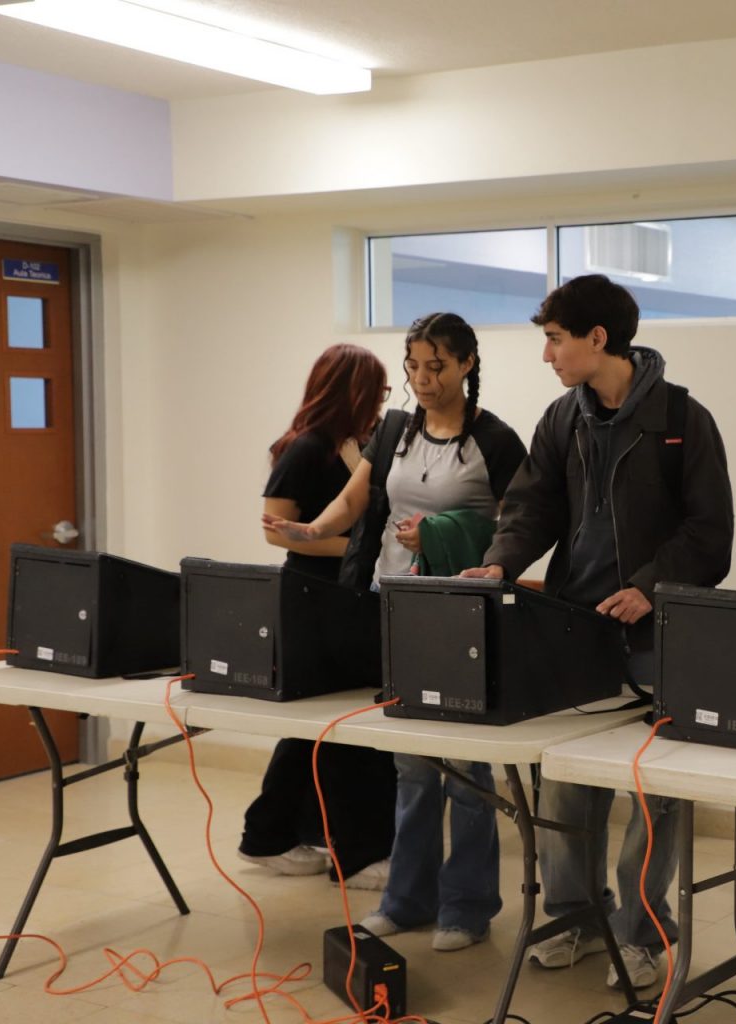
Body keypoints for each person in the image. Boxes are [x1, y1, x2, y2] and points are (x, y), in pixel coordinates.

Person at [461, 273, 734, 989]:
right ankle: (577, 920)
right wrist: (501, 562)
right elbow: (532, 507)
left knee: (653, 794)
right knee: (565, 788)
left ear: (598, 338)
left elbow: (711, 534)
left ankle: (643, 933)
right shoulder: (562, 419)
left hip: (659, 639)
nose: (547, 354)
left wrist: (649, 586)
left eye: (555, 339)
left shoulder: (684, 419)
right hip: (574, 633)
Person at [265, 313, 526, 952]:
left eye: (436, 366)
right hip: (395, 607)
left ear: (466, 364)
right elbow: (357, 499)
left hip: (463, 617)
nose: (422, 379)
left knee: (466, 770)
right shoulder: (395, 430)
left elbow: (519, 526)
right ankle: (407, 899)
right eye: (413, 367)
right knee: (410, 765)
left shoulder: (495, 440)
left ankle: (467, 908)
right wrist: (308, 530)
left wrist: (441, 535)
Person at [237, 343, 398, 890]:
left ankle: (270, 835)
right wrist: (357, 549)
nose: (383, 400)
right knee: (346, 731)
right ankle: (357, 853)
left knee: (317, 732)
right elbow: (275, 530)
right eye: (377, 390)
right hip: (315, 599)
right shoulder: (305, 449)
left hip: (348, 596)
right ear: (351, 391)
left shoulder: (357, 447)